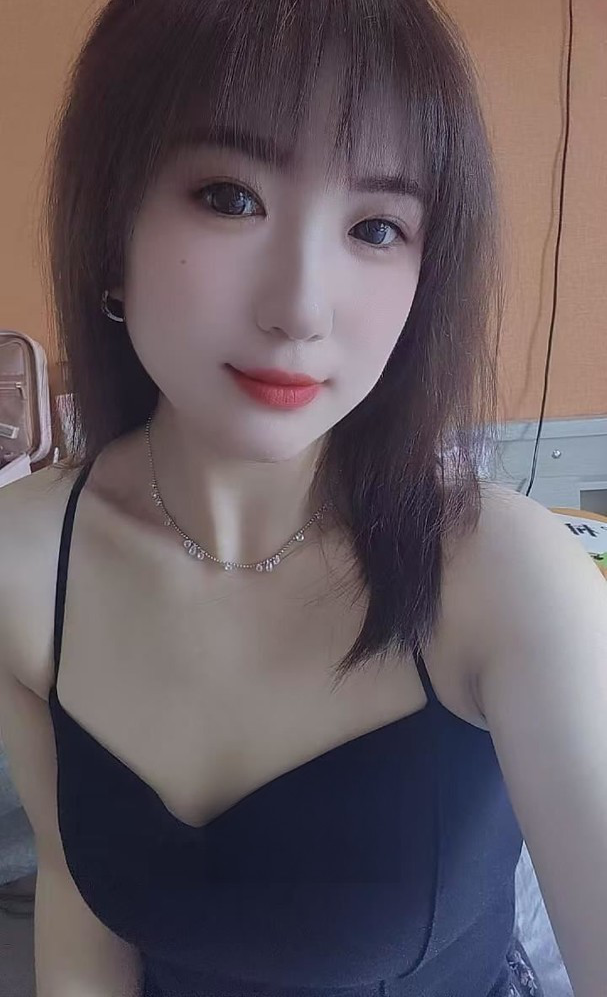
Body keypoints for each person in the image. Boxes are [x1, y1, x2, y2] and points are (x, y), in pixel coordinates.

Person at [0, 0, 605, 995]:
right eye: (230, 197)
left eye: (376, 227)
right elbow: (77, 902)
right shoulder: (25, 569)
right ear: (112, 224)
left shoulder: (502, 576)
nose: (300, 308)